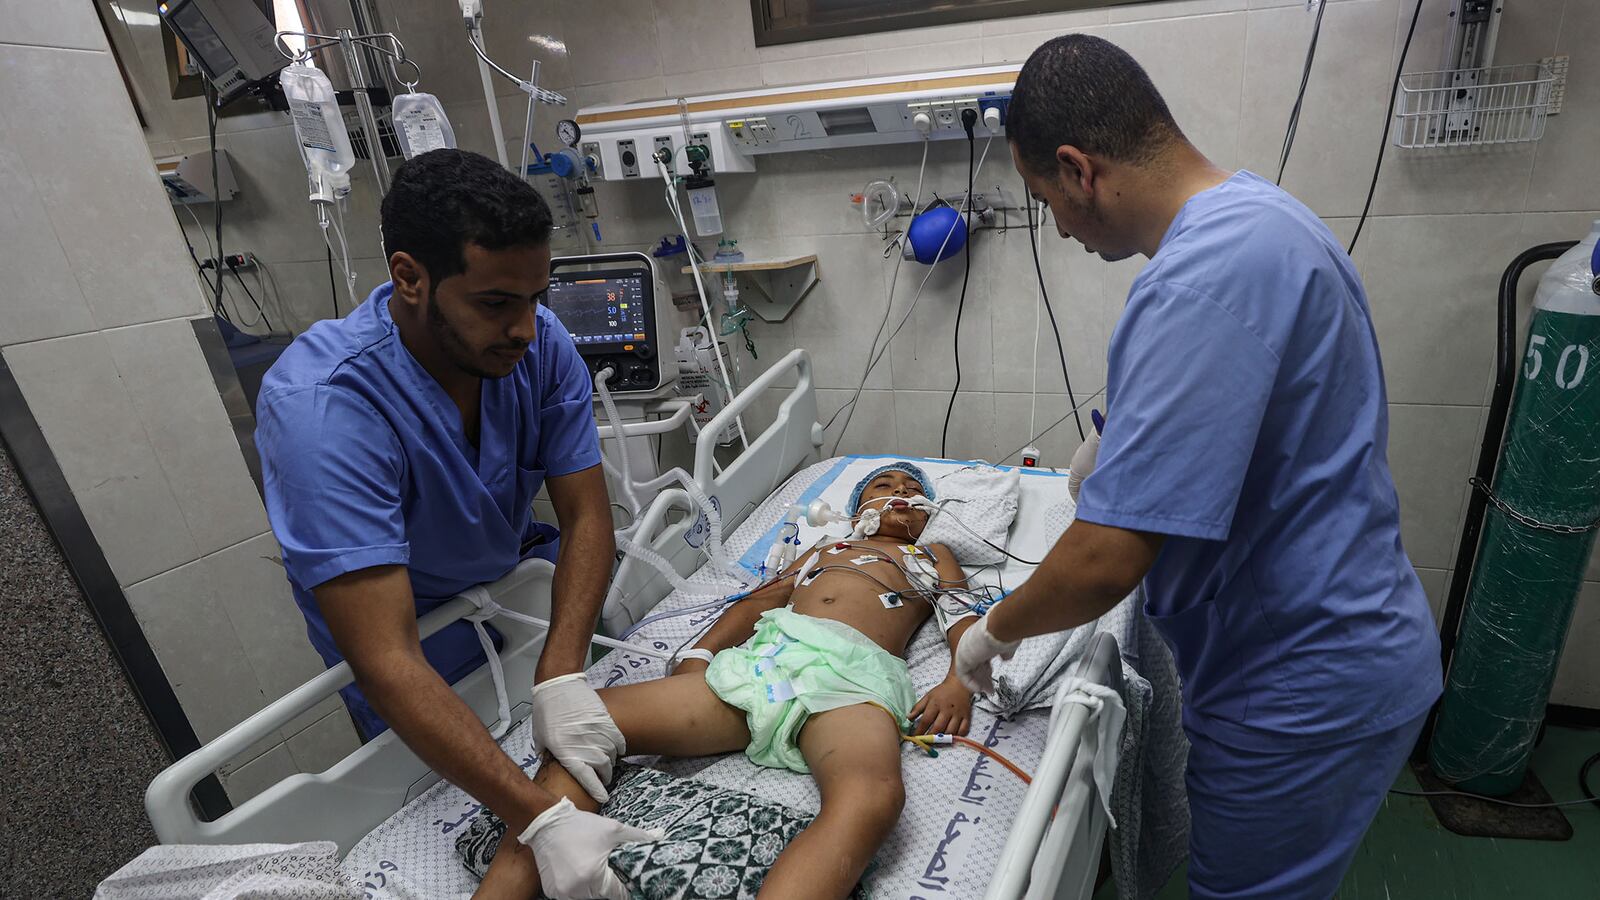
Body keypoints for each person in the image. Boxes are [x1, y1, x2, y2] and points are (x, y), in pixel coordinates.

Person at [953, 35, 1443, 899]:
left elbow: (1105, 561)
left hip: (1297, 688)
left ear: (1078, 170)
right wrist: (1126, 441)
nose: (1057, 227)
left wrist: (989, 635)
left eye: (1045, 201)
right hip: (1348, 638)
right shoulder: (1267, 219)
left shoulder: (1198, 282)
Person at [256, 149, 643, 899]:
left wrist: (561, 672)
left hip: (511, 582)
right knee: (438, 794)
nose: (525, 328)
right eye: (496, 302)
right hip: (414, 635)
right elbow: (388, 656)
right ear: (409, 278)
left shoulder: (536, 344)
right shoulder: (323, 410)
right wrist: (541, 822)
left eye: (536, 297)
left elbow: (587, 513)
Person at [477, 462, 981, 900]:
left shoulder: (931, 555)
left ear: (926, 513)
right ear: (857, 509)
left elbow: (962, 616)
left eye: (912, 490)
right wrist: (700, 653)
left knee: (873, 798)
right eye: (882, 486)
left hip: (853, 678)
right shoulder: (827, 547)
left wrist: (959, 681)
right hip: (767, 662)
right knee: (580, 722)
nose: (899, 493)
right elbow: (762, 600)